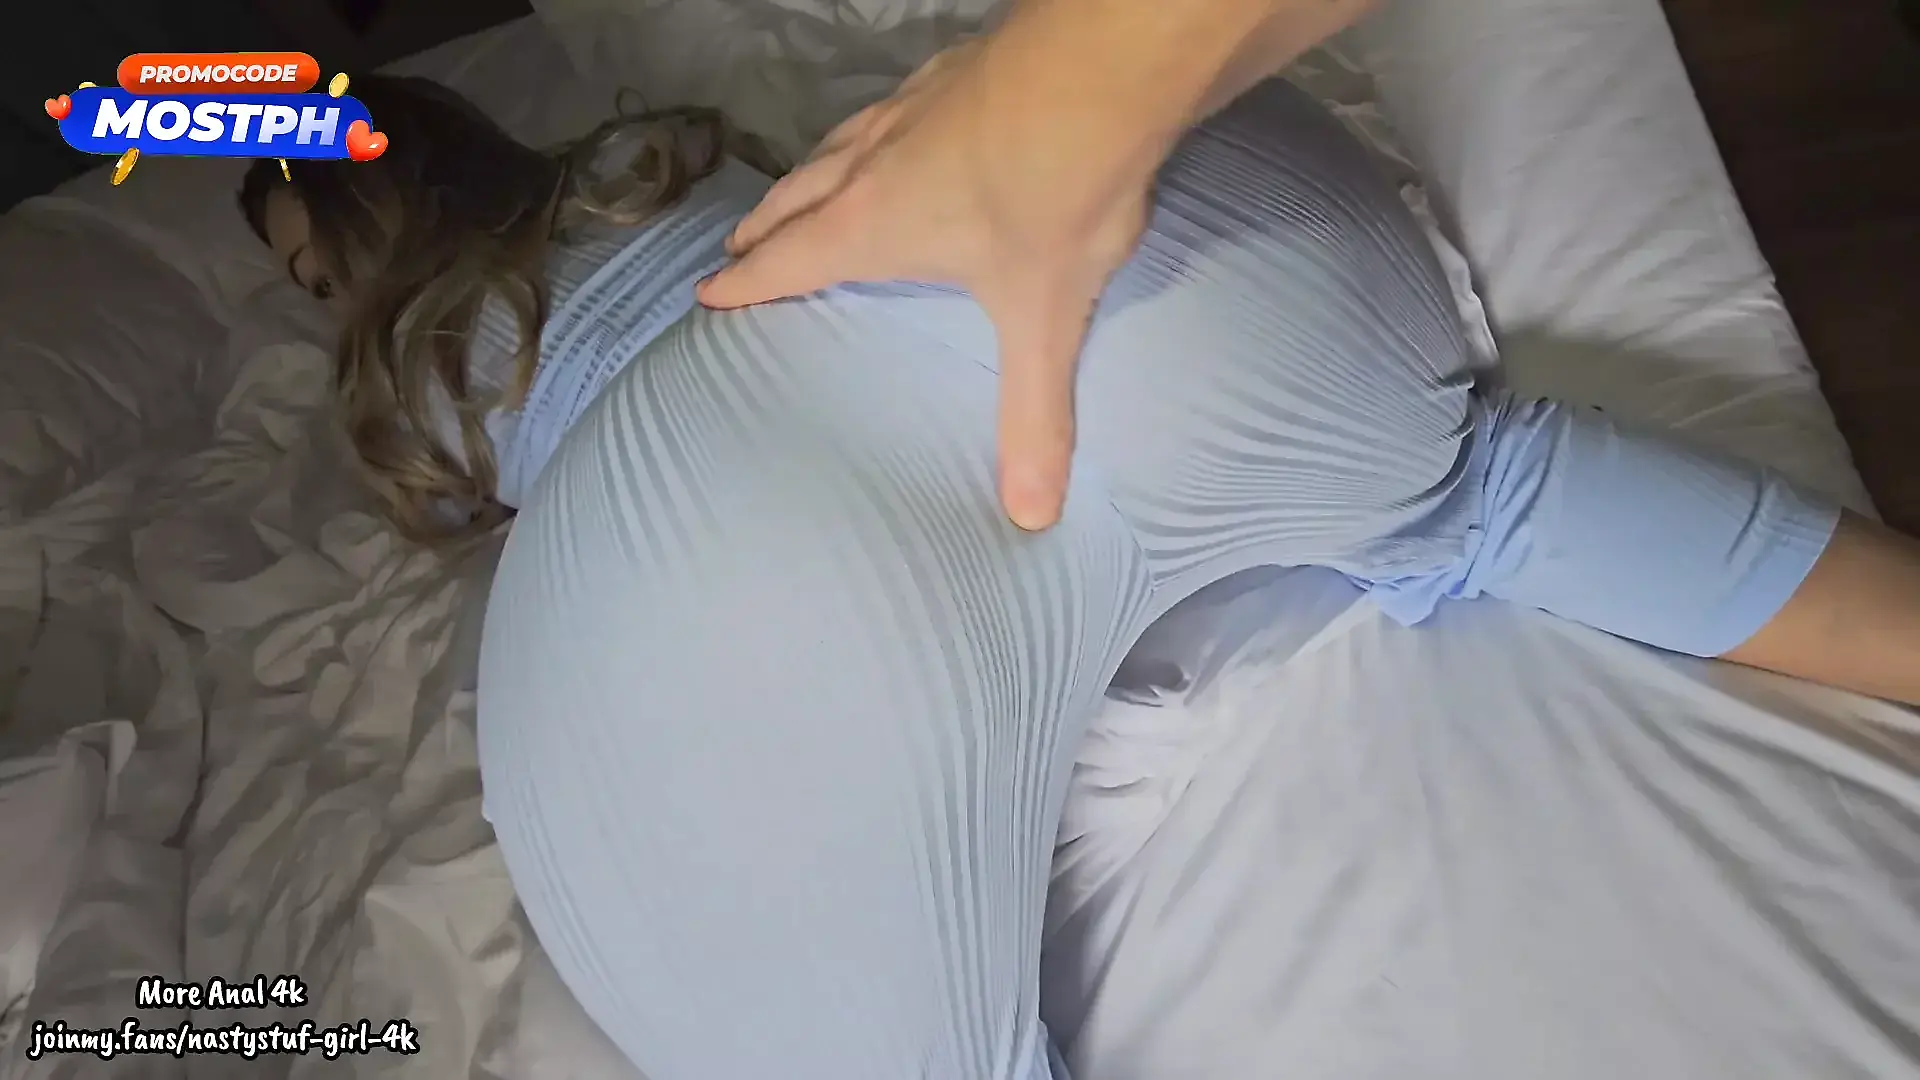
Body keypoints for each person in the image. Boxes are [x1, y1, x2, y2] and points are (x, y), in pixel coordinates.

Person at [241, 63, 1920, 1080]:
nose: (327, 308)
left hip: (725, 545)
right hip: (1058, 258)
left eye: (319, 274)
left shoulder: (413, 369)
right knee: (1480, 488)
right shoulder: (650, 154)